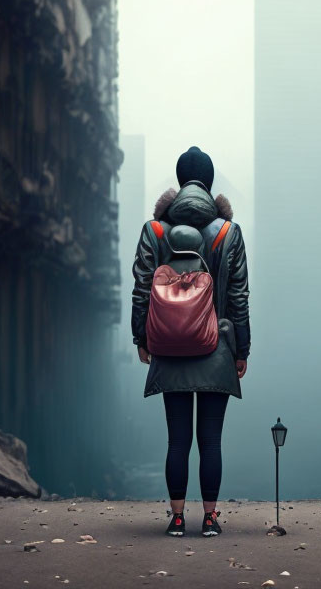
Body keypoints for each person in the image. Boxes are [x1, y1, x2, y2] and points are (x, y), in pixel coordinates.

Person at [130, 146, 250, 537]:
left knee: (177, 437)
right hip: (217, 348)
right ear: (210, 184)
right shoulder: (229, 234)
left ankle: (178, 518)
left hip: (169, 346)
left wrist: (141, 337)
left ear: (180, 183)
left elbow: (142, 290)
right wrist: (242, 350)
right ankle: (211, 519)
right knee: (210, 439)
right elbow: (238, 298)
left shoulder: (155, 230)